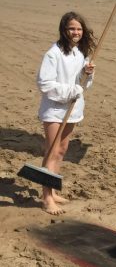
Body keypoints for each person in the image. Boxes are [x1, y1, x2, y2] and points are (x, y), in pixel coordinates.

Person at [37, 11, 96, 215]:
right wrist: (71, 91)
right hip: (54, 109)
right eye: (72, 28)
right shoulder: (53, 53)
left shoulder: (80, 53)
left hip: (72, 109)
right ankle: (46, 198)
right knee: (52, 151)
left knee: (61, 151)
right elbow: (45, 84)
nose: (76, 32)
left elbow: (83, 84)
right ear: (64, 30)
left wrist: (87, 74)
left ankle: (52, 191)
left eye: (79, 29)